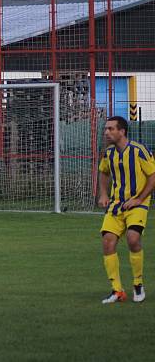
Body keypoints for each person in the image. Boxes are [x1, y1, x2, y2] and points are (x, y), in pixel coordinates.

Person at [97, 116, 155, 304]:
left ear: (122, 131)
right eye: (106, 129)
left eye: (111, 129)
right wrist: (104, 194)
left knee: (133, 238)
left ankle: (137, 284)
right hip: (116, 205)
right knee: (107, 243)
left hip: (138, 204)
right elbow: (104, 172)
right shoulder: (108, 153)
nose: (106, 132)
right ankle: (117, 291)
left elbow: (152, 176)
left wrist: (138, 198)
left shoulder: (139, 151)